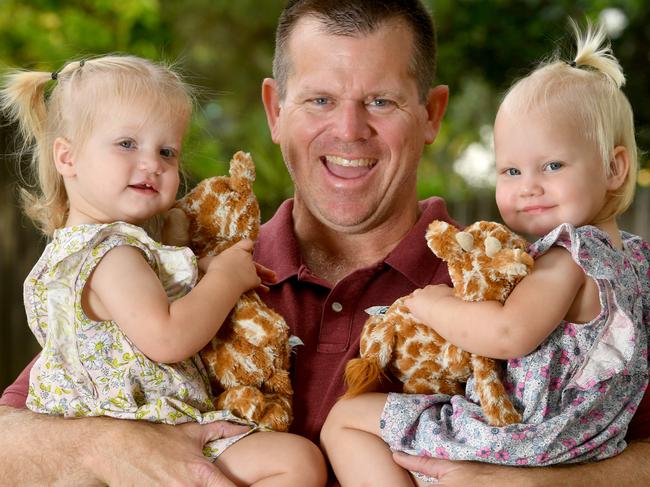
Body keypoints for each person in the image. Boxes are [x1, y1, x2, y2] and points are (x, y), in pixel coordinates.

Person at [1, 1, 649, 485]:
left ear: (433, 114)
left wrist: (548, 481)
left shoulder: (506, 279)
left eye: (381, 101)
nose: (348, 130)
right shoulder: (188, 272)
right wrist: (105, 446)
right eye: (318, 99)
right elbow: (12, 434)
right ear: (274, 109)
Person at [320, 18, 650, 485]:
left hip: (521, 436)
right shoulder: (636, 260)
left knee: (347, 421)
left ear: (615, 168)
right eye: (510, 171)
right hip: (587, 440)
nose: (528, 187)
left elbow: (508, 332)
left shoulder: (567, 256)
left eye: (552, 165)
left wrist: (434, 304)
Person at [0, 54, 325, 487]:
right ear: (67, 157)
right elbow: (168, 337)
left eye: (166, 151)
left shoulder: (79, 251)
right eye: (126, 144)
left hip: (109, 445)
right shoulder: (112, 254)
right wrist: (226, 279)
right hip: (144, 434)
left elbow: (149, 297)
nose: (152, 162)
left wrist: (200, 267)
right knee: (296, 462)